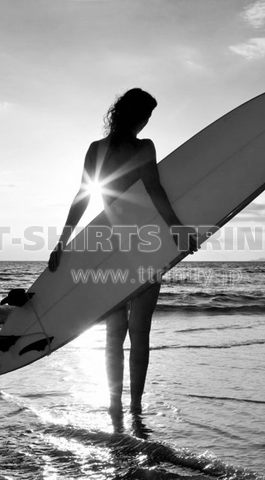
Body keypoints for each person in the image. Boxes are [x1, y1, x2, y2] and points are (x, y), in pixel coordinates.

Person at [48, 88, 195, 418]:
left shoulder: (97, 150)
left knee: (115, 335)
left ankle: (115, 405)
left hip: (109, 249)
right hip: (145, 245)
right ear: (138, 116)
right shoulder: (144, 147)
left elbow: (83, 196)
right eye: (148, 116)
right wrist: (176, 227)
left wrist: (64, 240)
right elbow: (155, 190)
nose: (147, 123)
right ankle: (135, 408)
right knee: (139, 332)